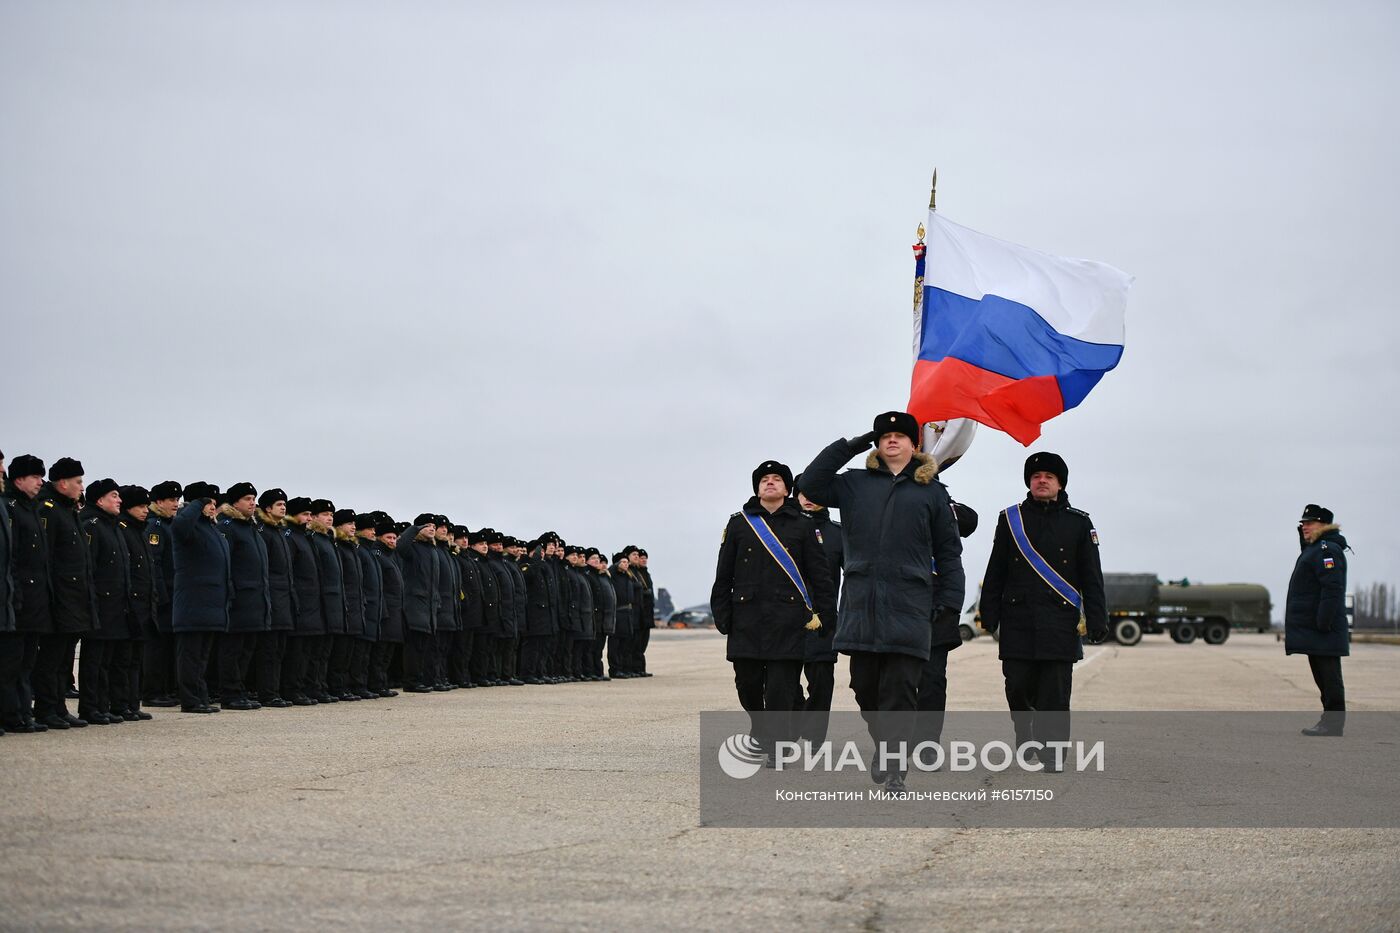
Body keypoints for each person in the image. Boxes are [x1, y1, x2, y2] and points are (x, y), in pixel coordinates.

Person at [800, 413, 966, 791]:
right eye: (885, 436)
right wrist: (854, 444)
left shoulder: (932, 492)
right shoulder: (855, 484)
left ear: (914, 445)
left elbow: (949, 552)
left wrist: (950, 602)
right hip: (862, 605)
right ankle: (885, 745)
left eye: (900, 436)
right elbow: (811, 483)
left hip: (910, 605)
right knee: (865, 687)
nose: (892, 441)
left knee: (901, 690)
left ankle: (893, 766)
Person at [978, 452, 1107, 770]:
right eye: (1036, 476)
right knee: (1017, 687)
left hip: (1058, 622)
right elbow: (996, 570)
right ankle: (1026, 733)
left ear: (1060, 483)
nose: (1042, 480)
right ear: (1029, 482)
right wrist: (988, 612)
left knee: (1055, 693)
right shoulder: (1010, 519)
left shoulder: (1080, 522)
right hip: (1018, 619)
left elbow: (1092, 576)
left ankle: (1051, 755)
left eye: (1049, 476)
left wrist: (1098, 617)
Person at [711, 460, 837, 761]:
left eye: (777, 479)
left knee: (781, 689)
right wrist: (722, 615)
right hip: (746, 620)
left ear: (786, 488)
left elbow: (820, 575)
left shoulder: (803, 524)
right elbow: (723, 574)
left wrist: (826, 615)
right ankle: (761, 727)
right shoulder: (739, 523)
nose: (770, 482)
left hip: (788, 621)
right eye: (764, 479)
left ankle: (776, 745)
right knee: (748, 686)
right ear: (757, 487)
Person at [34, 457, 97, 729]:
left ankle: (58, 706)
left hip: (73, 595)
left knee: (64, 656)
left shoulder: (67, 509)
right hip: (58, 594)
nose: (82, 487)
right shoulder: (48, 509)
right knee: (51, 657)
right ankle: (47, 708)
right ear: (62, 483)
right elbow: (45, 556)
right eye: (78, 482)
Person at [1285, 504, 1350, 737]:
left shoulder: (1327, 550)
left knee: (1330, 678)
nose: (1304, 526)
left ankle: (1332, 724)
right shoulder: (1315, 549)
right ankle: (1329, 720)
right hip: (1316, 627)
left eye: (1309, 522)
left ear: (1323, 525)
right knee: (1322, 677)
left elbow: (1332, 588)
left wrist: (1323, 623)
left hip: (1324, 627)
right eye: (1303, 523)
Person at [792, 474, 843, 748]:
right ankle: (798, 716)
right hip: (785, 618)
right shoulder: (780, 531)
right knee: (784, 679)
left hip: (823, 619)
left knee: (822, 682)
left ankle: (814, 735)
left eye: (814, 492)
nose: (808, 498)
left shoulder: (838, 534)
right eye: (802, 492)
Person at [172, 482, 231, 713]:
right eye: (210, 503)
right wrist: (197, 503)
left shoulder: (211, 528)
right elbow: (180, 524)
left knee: (202, 655)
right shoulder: (188, 526)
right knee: (190, 654)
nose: (213, 508)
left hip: (212, 603)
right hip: (192, 602)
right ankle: (190, 698)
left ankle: (200, 695)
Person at [2, 455, 51, 732]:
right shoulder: (10, 508)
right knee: (12, 662)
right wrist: (16, 594)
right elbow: (14, 558)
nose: (40, 482)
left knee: (27, 661)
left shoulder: (31, 508)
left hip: (35, 600)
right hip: (19, 598)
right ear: (19, 479)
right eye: (35, 477)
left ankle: (23, 712)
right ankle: (12, 714)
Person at [216, 483, 270, 710]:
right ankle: (229, 692)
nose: (253, 503)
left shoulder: (250, 527)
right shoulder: (228, 526)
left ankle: (240, 690)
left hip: (255, 599)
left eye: (254, 498)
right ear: (235, 502)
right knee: (233, 649)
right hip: (238, 599)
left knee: (247, 649)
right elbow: (224, 563)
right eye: (248, 498)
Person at [116, 485, 159, 721]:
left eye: (146, 506)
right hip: (130, 605)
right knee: (124, 659)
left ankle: (133, 703)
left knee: (135, 659)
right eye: (141, 506)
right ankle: (121, 703)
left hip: (143, 604)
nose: (145, 511)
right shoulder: (123, 529)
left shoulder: (140, 530)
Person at [254, 489, 296, 708]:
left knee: (279, 649)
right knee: (269, 650)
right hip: (271, 598)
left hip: (284, 597)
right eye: (278, 504)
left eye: (284, 504)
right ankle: (267, 693)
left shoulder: (279, 531)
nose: (283, 507)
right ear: (267, 508)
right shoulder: (264, 531)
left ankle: (275, 690)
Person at [142, 480, 183, 707]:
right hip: (164, 596)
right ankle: (153, 691)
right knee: (157, 646)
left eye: (177, 500)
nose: (175, 504)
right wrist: (161, 595)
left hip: (175, 594)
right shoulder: (156, 526)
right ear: (158, 502)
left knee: (169, 646)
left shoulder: (170, 525)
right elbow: (154, 563)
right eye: (171, 500)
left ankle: (166, 689)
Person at [283, 497, 324, 706]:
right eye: (305, 514)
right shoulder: (291, 536)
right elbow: (288, 570)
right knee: (297, 651)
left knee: (309, 650)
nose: (309, 518)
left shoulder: (305, 537)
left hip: (312, 601)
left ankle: (307, 687)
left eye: (310, 514)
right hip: (300, 600)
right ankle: (293, 689)